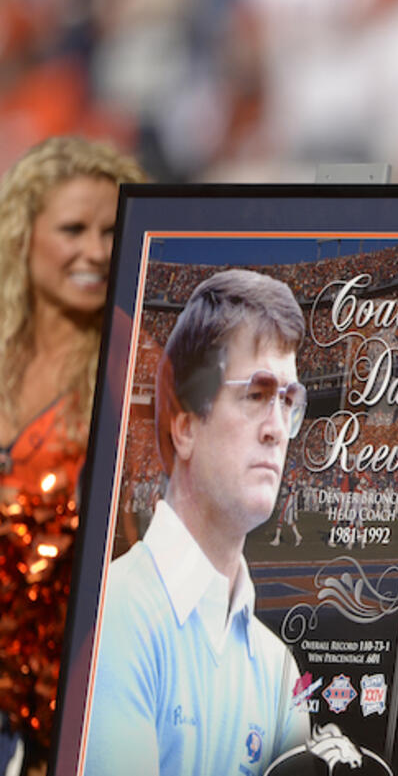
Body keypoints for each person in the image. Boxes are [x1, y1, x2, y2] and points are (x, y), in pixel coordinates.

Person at [84, 269, 311, 776]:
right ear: (184, 426)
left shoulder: (279, 672)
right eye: (256, 394)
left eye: (289, 401)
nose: (278, 428)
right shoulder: (108, 618)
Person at [0, 136, 146, 767]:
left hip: (74, 705)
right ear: (23, 235)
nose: (94, 250)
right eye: (73, 228)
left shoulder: (136, 360)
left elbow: (148, 556)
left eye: (111, 230)